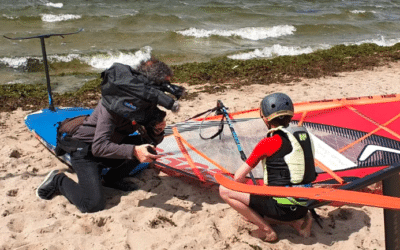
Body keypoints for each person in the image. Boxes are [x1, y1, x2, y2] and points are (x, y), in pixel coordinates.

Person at [36, 57, 183, 213]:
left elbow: (152, 140)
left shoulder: (144, 105)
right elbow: (98, 147)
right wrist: (133, 151)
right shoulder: (114, 103)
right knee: (93, 204)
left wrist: (156, 131)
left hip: (111, 144)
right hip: (85, 149)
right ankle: (57, 181)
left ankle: (111, 179)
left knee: (149, 148)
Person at [219, 92, 317, 242]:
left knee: (224, 190)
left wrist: (242, 183)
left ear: (265, 118)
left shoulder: (267, 143)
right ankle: (297, 222)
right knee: (249, 217)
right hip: (304, 205)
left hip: (282, 208)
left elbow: (238, 177)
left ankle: (267, 231)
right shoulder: (302, 135)